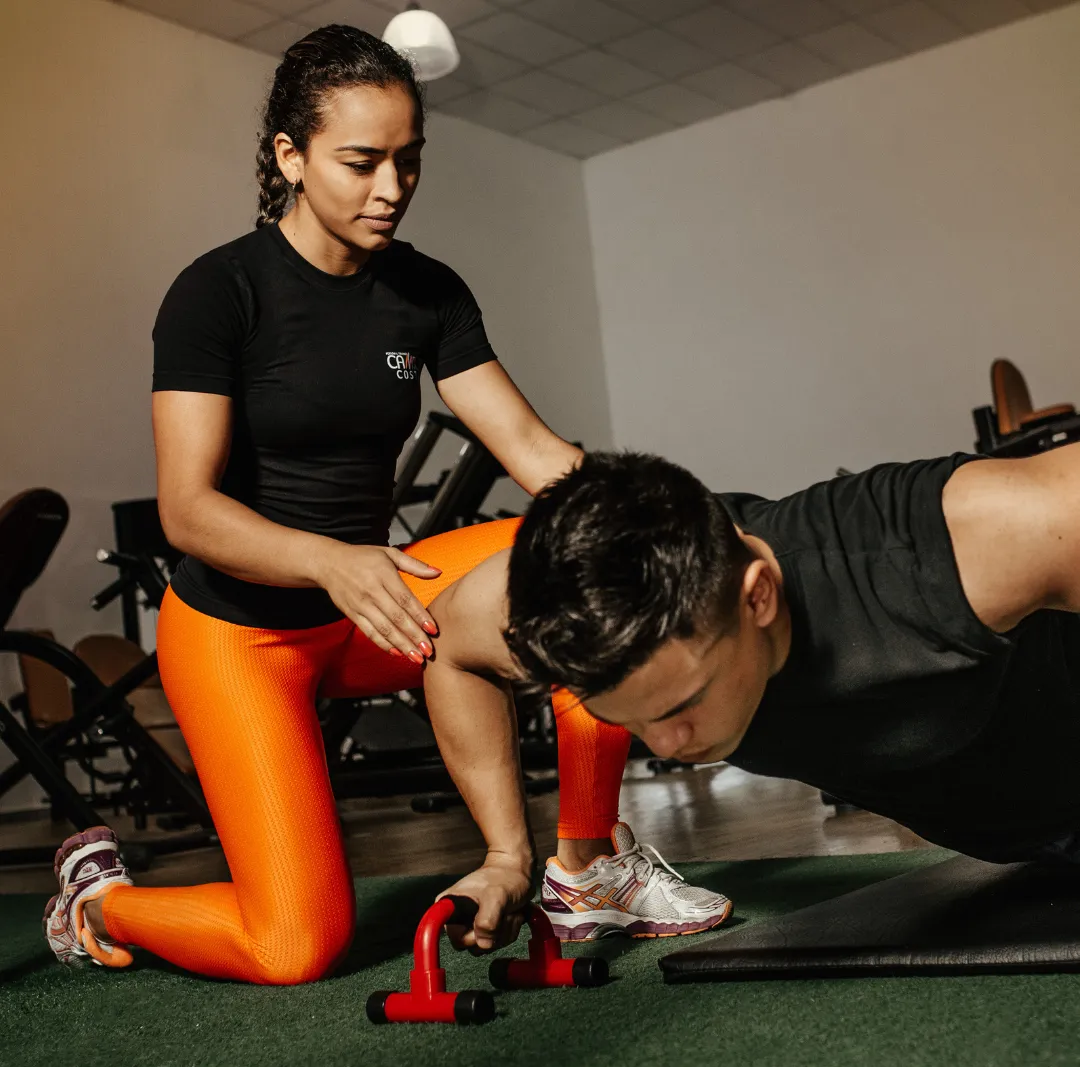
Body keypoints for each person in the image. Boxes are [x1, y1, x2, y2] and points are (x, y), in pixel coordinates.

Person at [43, 26, 729, 981]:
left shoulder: (424, 291)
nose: (392, 188)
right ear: (290, 155)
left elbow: (532, 451)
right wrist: (330, 558)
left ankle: (585, 869)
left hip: (382, 604)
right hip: (245, 634)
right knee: (294, 947)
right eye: (362, 162)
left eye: (410, 160)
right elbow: (188, 513)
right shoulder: (217, 294)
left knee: (588, 559)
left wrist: (674, 520)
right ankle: (99, 899)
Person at [309, 441, 1080, 942]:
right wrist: (509, 854)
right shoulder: (575, 604)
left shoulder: (936, 547)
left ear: (758, 596)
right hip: (1027, 852)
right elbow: (448, 649)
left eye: (681, 705)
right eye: (627, 717)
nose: (665, 747)